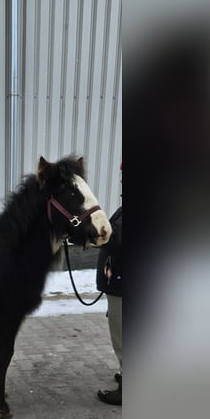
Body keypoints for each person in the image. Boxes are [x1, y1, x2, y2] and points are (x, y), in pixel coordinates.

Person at [96, 165, 122, 405]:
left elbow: (117, 238)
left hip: (124, 285)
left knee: (123, 335)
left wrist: (95, 232)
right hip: (119, 282)